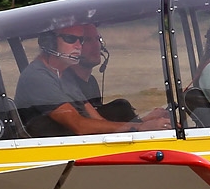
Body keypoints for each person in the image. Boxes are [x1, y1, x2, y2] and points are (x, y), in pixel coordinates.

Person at [16, 22, 173, 138]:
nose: (79, 46)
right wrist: (140, 128)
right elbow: (79, 125)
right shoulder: (37, 77)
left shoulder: (64, 75)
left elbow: (98, 120)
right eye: (71, 39)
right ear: (49, 43)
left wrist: (147, 124)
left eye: (81, 40)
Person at [64, 24, 170, 126]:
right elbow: (94, 127)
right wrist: (147, 120)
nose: (96, 45)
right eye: (87, 40)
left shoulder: (91, 81)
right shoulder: (66, 84)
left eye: (98, 39)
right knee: (120, 107)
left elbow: (105, 125)